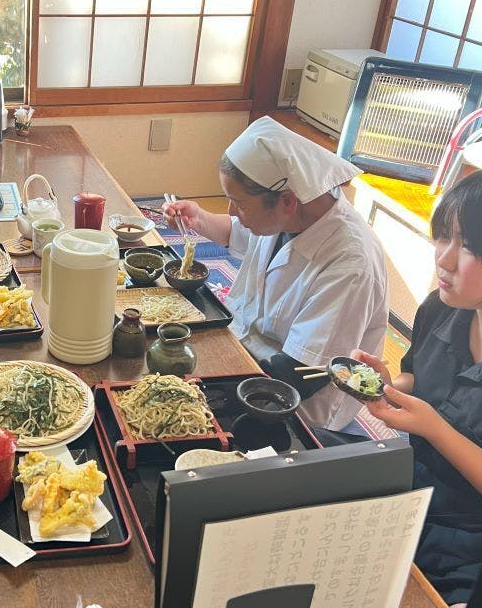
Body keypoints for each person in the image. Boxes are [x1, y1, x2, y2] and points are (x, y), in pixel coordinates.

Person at [351, 162, 482, 607]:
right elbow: (421, 377)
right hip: (410, 485)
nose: (444, 259)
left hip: (480, 540)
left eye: (470, 247)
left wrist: (436, 429)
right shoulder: (443, 307)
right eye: (444, 236)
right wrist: (391, 385)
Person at [164, 116, 388, 436]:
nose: (231, 211)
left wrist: (206, 379)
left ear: (287, 201)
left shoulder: (351, 264)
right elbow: (236, 231)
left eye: (239, 204)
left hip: (291, 400)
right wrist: (198, 218)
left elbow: (300, 374)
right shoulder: (289, 213)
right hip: (244, 348)